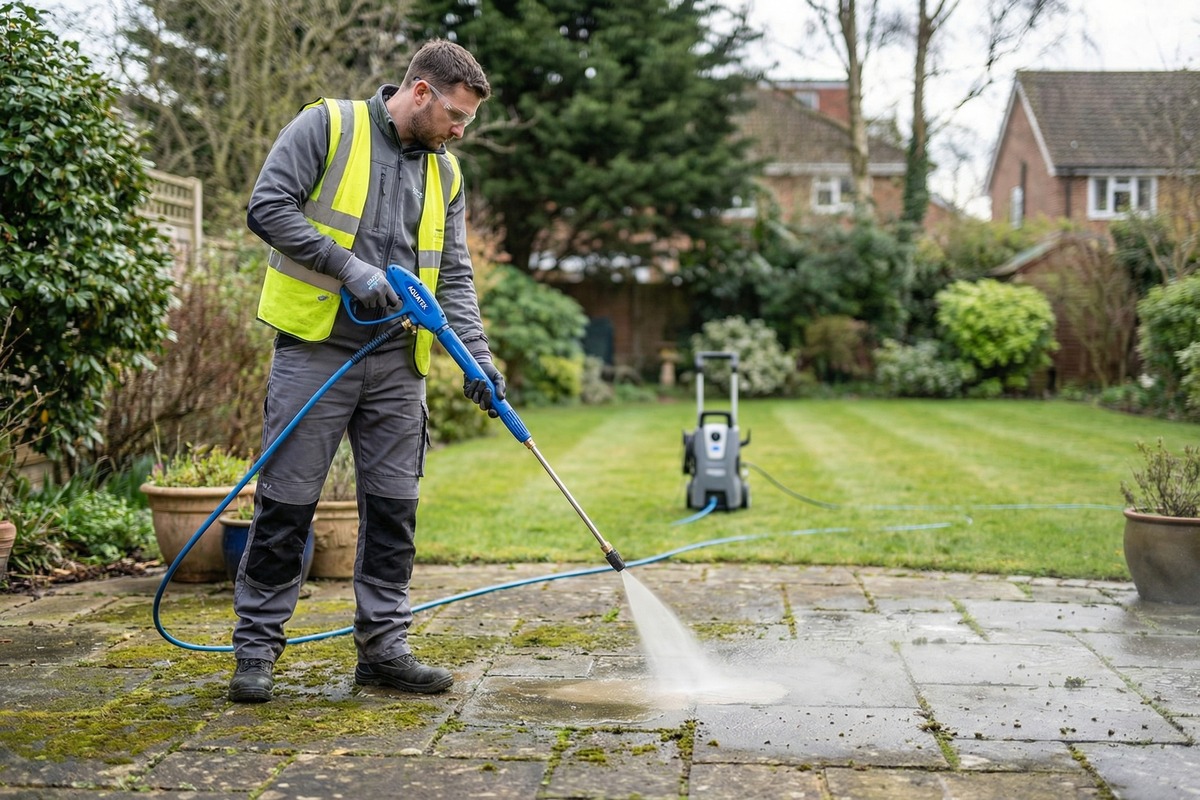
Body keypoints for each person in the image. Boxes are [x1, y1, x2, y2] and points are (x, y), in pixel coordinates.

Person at [227, 39, 506, 703]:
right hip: (316, 348)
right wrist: (349, 269)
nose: (460, 130)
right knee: (286, 506)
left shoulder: (446, 172)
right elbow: (267, 206)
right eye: (455, 115)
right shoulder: (328, 125)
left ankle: (384, 650)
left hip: (397, 361)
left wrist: (477, 357)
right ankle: (256, 652)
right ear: (419, 93)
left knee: (393, 511)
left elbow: (456, 276)